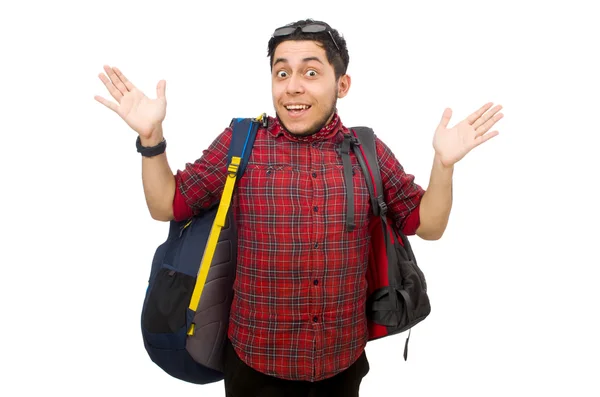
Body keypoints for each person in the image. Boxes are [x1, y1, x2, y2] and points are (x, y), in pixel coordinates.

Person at [95, 18, 503, 397]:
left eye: (311, 72)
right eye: (282, 72)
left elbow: (427, 225)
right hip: (252, 367)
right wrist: (152, 139)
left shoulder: (367, 151)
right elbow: (167, 204)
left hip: (341, 366)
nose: (292, 86)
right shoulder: (242, 142)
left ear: (341, 85)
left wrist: (444, 165)